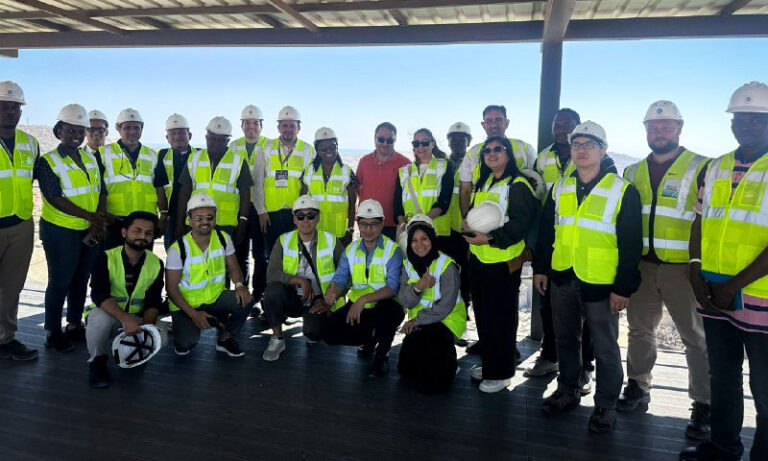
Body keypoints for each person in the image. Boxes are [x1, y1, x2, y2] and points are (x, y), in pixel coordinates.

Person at [533, 121, 642, 433]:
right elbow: (547, 232)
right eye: (576, 145)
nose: (581, 150)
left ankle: (605, 405)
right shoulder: (560, 187)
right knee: (566, 339)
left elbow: (631, 243)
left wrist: (623, 288)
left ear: (602, 150)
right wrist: (541, 268)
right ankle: (567, 390)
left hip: (601, 282)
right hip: (563, 276)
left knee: (605, 348)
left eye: (589, 145)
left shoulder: (622, 190)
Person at [680, 81, 768, 461]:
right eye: (739, 119)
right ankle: (722, 447)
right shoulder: (715, 167)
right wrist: (695, 271)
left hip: (760, 298)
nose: (745, 125)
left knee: (765, 389)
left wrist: (733, 285)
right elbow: (700, 221)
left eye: (755, 119)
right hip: (714, 293)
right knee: (723, 378)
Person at [621, 101, 711, 440]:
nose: (659, 132)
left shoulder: (701, 166)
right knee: (639, 331)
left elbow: (710, 218)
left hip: (683, 270)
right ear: (646, 130)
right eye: (653, 126)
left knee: (695, 338)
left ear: (680, 128)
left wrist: (700, 266)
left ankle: (704, 404)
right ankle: (638, 386)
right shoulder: (632, 172)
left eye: (666, 125)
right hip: (643, 266)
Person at [526, 108, 596, 392]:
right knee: (549, 304)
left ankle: (585, 367)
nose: (561, 129)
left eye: (567, 125)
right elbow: (535, 191)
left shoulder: (595, 158)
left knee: (587, 309)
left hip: (583, 240)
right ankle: (550, 356)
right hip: (550, 235)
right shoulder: (543, 157)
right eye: (557, 124)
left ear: (577, 128)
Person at [463, 136, 540, 393]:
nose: (492, 153)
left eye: (498, 149)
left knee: (501, 320)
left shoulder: (518, 185)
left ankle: (502, 372)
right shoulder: (484, 183)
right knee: (484, 317)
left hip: (503, 263)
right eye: (487, 150)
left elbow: (521, 224)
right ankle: (490, 365)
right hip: (480, 260)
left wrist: (490, 239)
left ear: (509, 155)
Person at [35, 104, 107, 353]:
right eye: (70, 130)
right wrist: (92, 217)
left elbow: (100, 190)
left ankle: (74, 324)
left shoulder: (90, 158)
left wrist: (98, 219)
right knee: (60, 280)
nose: (76, 135)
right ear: (59, 131)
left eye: (80, 130)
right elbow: (54, 197)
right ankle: (52, 331)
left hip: (88, 229)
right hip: (61, 231)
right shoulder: (48, 161)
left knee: (81, 278)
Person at [323, 199, 405, 377]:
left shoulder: (393, 250)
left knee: (386, 315)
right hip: (359, 307)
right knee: (329, 332)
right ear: (357, 224)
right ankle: (370, 339)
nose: (368, 229)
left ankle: (381, 356)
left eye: (374, 224)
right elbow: (340, 278)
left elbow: (392, 288)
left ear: (382, 224)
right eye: (363, 224)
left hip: (386, 305)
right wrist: (333, 293)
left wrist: (363, 300)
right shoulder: (351, 249)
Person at [166, 193, 252, 357]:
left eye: (209, 217)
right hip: (187, 305)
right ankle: (185, 326)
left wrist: (240, 285)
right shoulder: (178, 249)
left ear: (215, 219)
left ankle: (225, 337)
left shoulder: (223, 238)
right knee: (185, 345)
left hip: (215, 298)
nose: (205, 222)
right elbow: (171, 290)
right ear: (189, 221)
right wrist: (194, 314)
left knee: (246, 299)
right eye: (199, 218)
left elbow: (234, 268)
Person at [85, 212, 165, 388]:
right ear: (124, 232)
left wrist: (145, 331)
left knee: (162, 334)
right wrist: (125, 319)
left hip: (137, 319)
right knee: (98, 319)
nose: (142, 236)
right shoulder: (105, 257)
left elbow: (153, 302)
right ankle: (97, 362)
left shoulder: (156, 263)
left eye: (148, 233)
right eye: (137, 231)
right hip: (112, 316)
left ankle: (136, 352)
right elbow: (99, 294)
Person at [261, 195, 345, 362]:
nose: (306, 220)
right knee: (271, 292)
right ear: (294, 219)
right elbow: (271, 274)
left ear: (318, 217)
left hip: (318, 300)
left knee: (314, 334)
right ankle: (277, 339)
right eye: (300, 216)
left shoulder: (331, 240)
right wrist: (299, 280)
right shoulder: (283, 241)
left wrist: (330, 299)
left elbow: (346, 273)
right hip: (292, 297)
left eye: (310, 215)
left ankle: (312, 325)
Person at [175, 116, 252, 281]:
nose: (215, 143)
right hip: (197, 223)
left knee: (225, 266)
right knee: (197, 264)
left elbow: (245, 193)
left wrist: (243, 221)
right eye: (212, 139)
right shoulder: (194, 158)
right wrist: (180, 221)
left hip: (226, 224)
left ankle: (227, 295)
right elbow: (185, 191)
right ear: (206, 137)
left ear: (227, 141)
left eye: (220, 140)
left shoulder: (238, 161)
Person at [398, 215, 466, 394]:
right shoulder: (407, 266)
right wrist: (419, 286)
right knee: (405, 371)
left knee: (431, 384)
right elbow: (405, 301)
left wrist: (417, 321)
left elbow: (445, 307)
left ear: (432, 239)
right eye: (414, 240)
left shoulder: (447, 266)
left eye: (424, 238)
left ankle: (450, 363)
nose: (419, 244)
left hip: (447, 322)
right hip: (420, 324)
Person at [0, 81, 40, 361]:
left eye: (15, 107)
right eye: (4, 107)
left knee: (11, 287)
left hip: (21, 225)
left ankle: (5, 338)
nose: (10, 112)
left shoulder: (30, 143)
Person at [99, 108, 169, 249]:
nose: (132, 131)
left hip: (146, 220)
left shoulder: (152, 155)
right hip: (115, 219)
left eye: (136, 127)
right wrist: (104, 214)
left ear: (142, 129)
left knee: (143, 260)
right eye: (127, 127)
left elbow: (160, 187)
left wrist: (163, 216)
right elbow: (97, 188)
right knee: (113, 259)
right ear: (119, 129)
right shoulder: (102, 153)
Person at [458, 105, 537, 221]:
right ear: (483, 125)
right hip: (479, 222)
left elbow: (536, 181)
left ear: (507, 123)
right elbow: (465, 191)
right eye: (489, 121)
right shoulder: (472, 153)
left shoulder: (525, 148)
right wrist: (466, 220)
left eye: (498, 120)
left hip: (512, 221)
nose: (494, 125)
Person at [255, 105, 314, 254]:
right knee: (273, 254)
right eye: (284, 125)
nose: (288, 129)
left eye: (292, 126)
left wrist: (305, 214)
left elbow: (309, 184)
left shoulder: (308, 150)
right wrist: (261, 211)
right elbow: (258, 182)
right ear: (278, 128)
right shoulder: (265, 148)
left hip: (297, 213)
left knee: (294, 254)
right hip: (271, 213)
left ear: (299, 127)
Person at [231, 104, 270, 316]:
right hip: (239, 209)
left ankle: (258, 296)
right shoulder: (233, 146)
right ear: (241, 125)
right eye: (247, 123)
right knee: (240, 254)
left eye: (255, 123)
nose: (251, 127)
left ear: (261, 125)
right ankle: (243, 294)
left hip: (261, 209)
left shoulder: (269, 145)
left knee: (261, 256)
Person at [394, 128, 454, 250]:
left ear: (433, 143)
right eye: (416, 143)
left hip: (438, 234)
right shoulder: (404, 171)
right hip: (411, 234)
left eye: (425, 142)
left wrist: (421, 223)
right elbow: (397, 205)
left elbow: (444, 200)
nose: (420, 147)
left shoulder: (445, 166)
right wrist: (403, 225)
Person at [302, 127, 357, 246]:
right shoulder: (308, 171)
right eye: (323, 148)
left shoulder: (347, 172)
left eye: (332, 147)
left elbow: (352, 205)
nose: (329, 151)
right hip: (315, 232)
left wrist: (350, 230)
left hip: (339, 233)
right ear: (317, 150)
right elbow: (302, 203)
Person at [356, 122, 411, 241]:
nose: (385, 144)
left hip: (394, 225)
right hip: (368, 224)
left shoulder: (405, 163)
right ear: (374, 138)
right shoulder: (364, 161)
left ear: (395, 141)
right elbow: (359, 188)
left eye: (389, 140)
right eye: (381, 139)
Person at [444, 122, 473, 318]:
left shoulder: (474, 164)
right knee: (446, 274)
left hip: (465, 229)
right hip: (444, 229)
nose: (457, 143)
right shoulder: (441, 165)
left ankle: (463, 313)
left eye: (462, 140)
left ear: (468, 142)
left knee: (465, 275)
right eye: (453, 139)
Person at [158, 113, 197, 248]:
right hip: (171, 214)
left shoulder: (200, 155)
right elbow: (160, 187)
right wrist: (163, 215)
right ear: (167, 138)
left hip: (196, 213)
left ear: (189, 135)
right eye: (173, 133)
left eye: (181, 133)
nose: (177, 137)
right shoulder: (162, 156)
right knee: (173, 251)